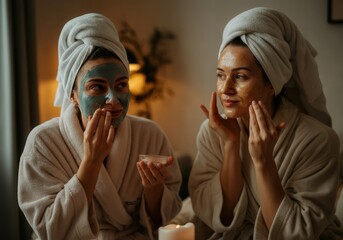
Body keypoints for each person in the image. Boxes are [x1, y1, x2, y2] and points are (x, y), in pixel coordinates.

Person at [18, 13, 182, 240]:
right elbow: (49, 229)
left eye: (121, 85)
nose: (113, 100)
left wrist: (154, 191)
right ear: (73, 95)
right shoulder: (43, 142)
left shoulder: (150, 135)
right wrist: (91, 162)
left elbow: (163, 221)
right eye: (97, 87)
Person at [188, 7, 342, 239]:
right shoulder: (213, 131)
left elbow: (294, 233)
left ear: (272, 83)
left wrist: (264, 161)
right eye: (221, 75)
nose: (225, 89)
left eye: (240, 76)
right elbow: (220, 217)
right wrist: (231, 144)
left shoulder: (317, 140)